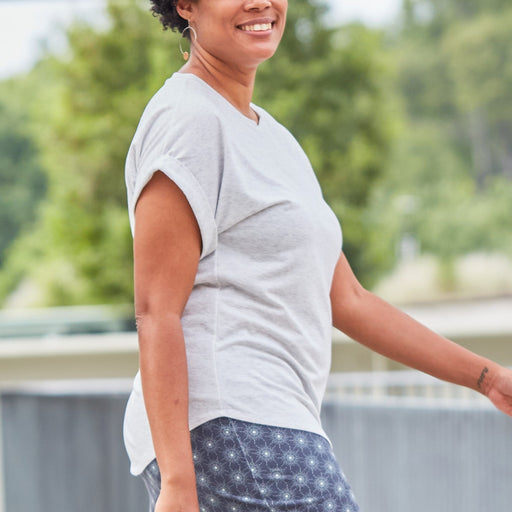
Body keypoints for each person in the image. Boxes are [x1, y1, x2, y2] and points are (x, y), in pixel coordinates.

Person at [123, 1, 512, 511]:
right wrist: (178, 484)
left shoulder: (273, 138)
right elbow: (157, 310)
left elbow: (348, 298)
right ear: (186, 5)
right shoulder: (188, 120)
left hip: (270, 420)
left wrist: (488, 378)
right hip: (228, 419)